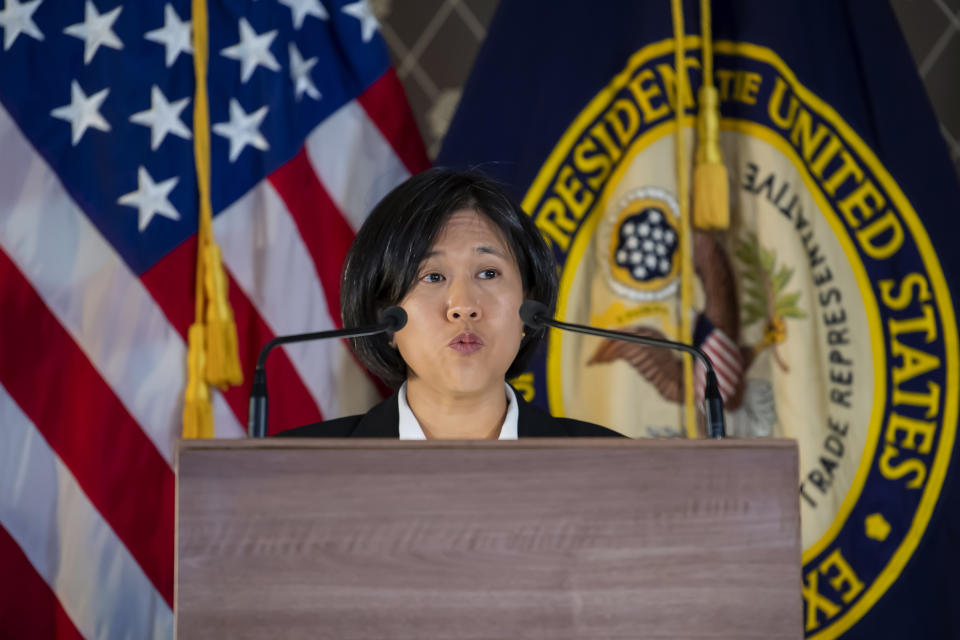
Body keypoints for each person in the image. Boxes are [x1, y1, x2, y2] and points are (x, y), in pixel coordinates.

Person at [277, 168, 623, 439]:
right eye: (432, 277)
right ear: (386, 318)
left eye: (488, 273)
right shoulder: (294, 468)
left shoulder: (615, 465)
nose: (463, 306)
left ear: (529, 306)